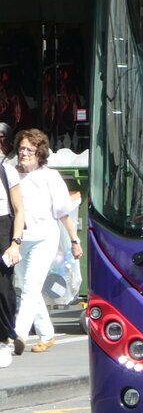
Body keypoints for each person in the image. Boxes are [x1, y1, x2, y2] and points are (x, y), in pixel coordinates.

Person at [11, 128, 82, 354]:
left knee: (31, 287)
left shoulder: (50, 177)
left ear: (40, 153)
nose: (24, 153)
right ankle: (47, 334)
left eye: (30, 149)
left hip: (45, 238)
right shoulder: (11, 174)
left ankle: (19, 333)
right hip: (21, 239)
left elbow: (63, 212)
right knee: (26, 287)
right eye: (22, 148)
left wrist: (74, 240)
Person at [0, 123, 24, 366]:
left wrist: (15, 242)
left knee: (3, 286)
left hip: (3, 226)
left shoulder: (7, 170)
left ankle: (5, 338)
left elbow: (19, 210)